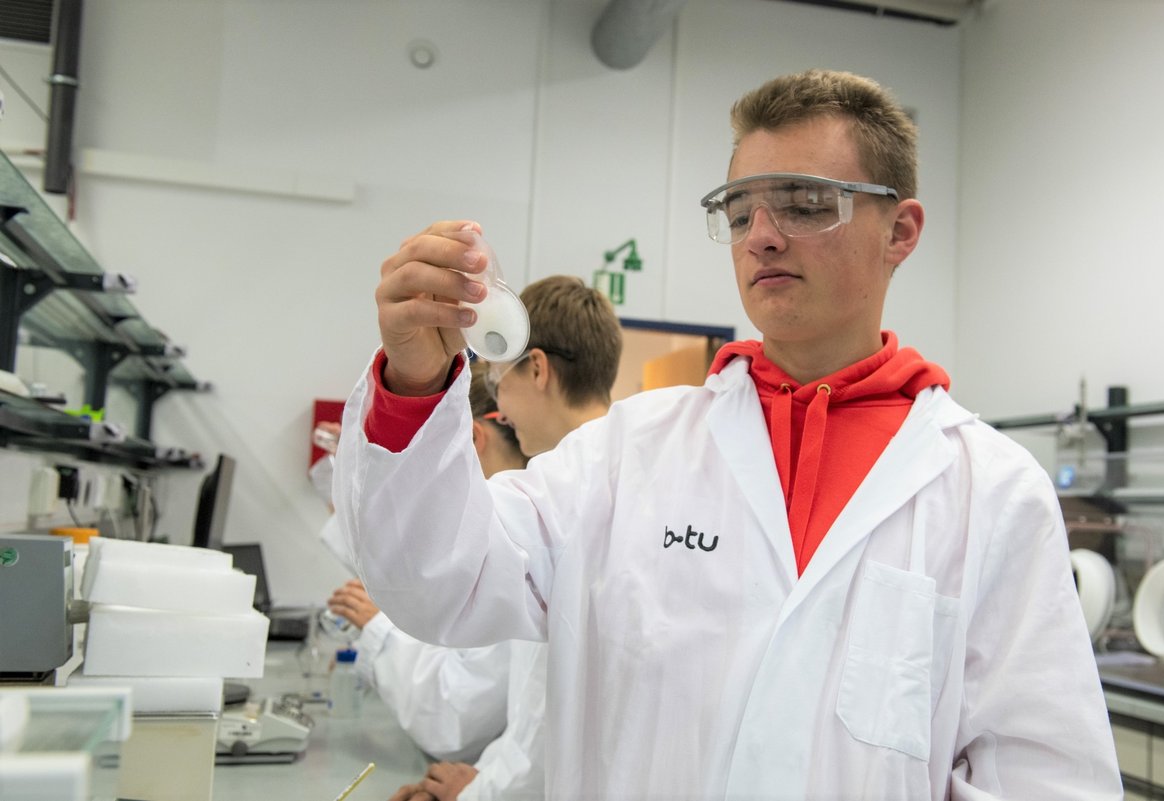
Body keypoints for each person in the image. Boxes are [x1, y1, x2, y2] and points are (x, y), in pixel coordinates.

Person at [333, 69, 1122, 799]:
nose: (762, 236)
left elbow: (1045, 778)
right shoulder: (625, 456)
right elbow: (440, 584)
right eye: (741, 210)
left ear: (901, 231)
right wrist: (412, 386)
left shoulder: (991, 491)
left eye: (806, 203)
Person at [338, 276, 622, 801]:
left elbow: (544, 717)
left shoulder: (581, 503)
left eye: (498, 384)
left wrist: (478, 793)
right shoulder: (602, 480)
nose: (501, 410)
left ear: (536, 368)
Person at [326, 362, 525, 766]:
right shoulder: (488, 527)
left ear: (471, 437)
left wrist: (378, 630)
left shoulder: (516, 544)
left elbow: (454, 718)